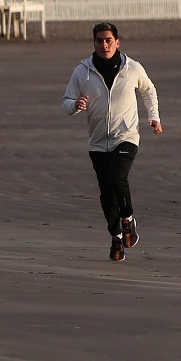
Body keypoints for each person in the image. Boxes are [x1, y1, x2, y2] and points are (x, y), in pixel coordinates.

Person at [61, 21, 161, 262]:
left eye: (108, 40)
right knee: (106, 193)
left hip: (126, 136)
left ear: (117, 42)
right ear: (94, 43)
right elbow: (66, 101)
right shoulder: (82, 72)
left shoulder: (132, 68)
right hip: (97, 142)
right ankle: (116, 237)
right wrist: (75, 106)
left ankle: (128, 219)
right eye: (99, 41)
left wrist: (154, 116)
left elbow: (149, 90)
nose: (104, 45)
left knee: (118, 178)